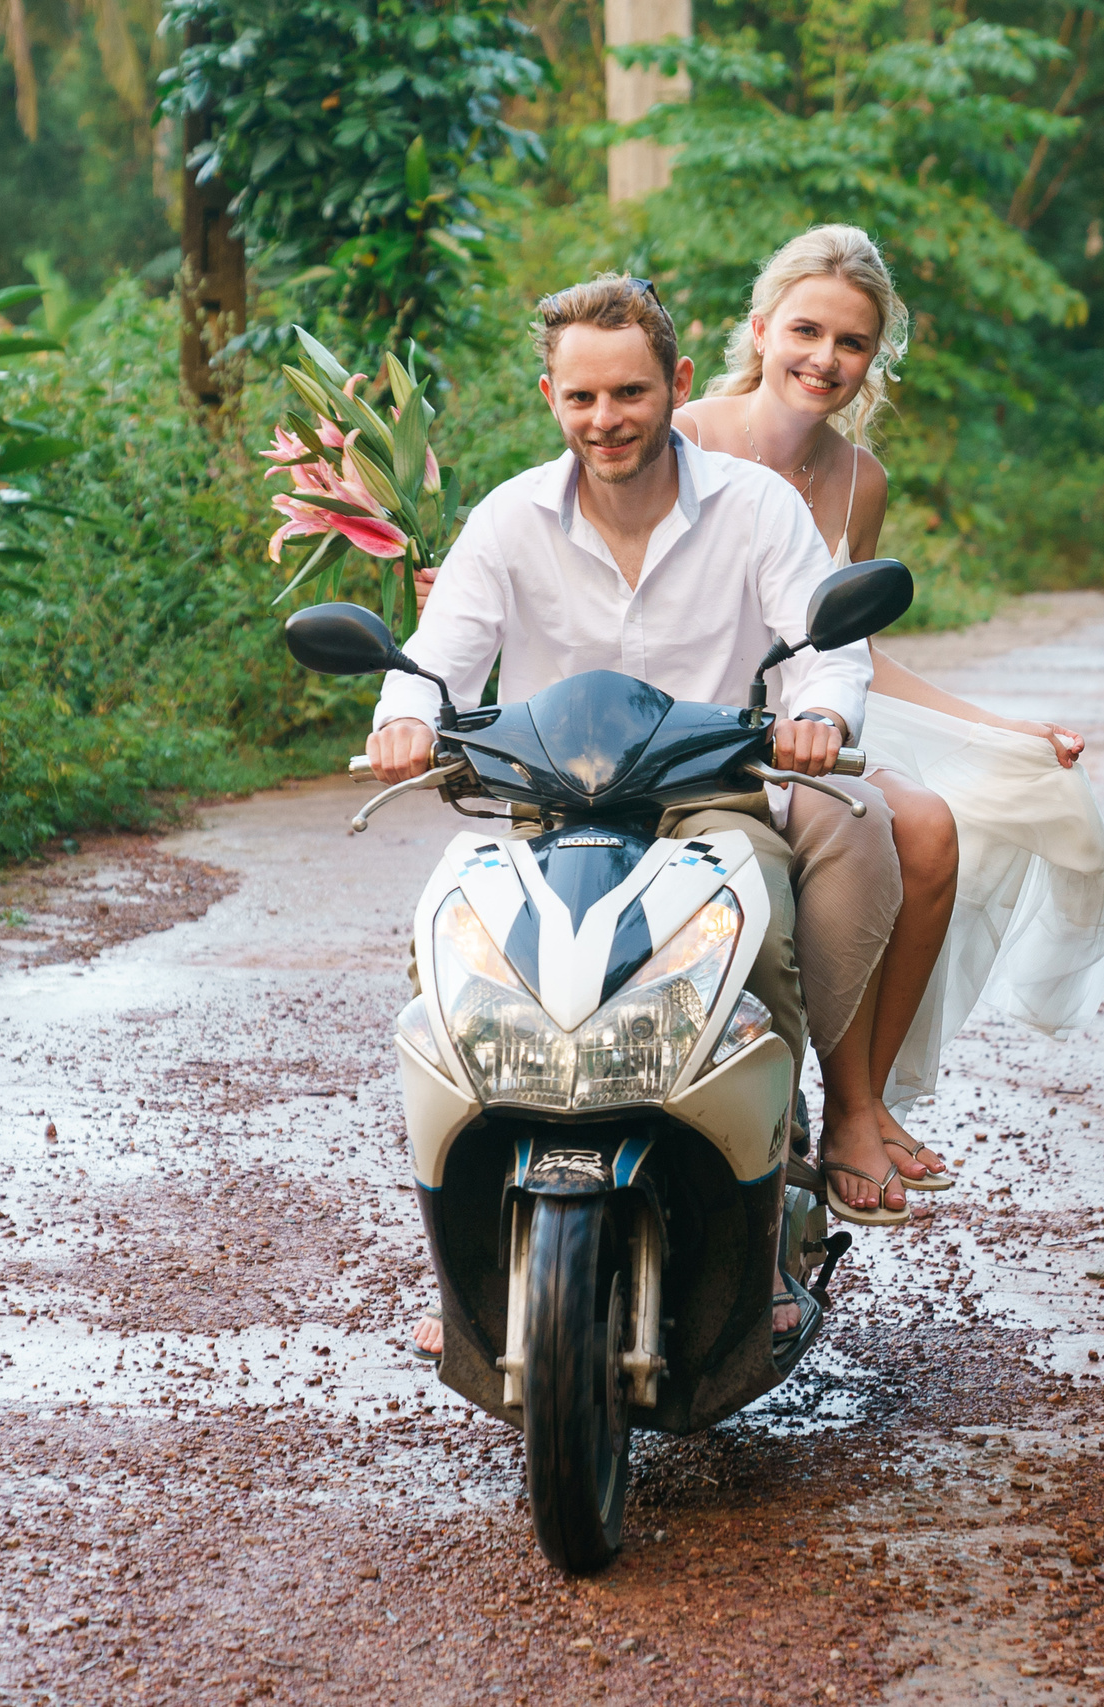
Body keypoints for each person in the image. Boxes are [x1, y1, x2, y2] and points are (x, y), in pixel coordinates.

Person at [372, 274, 916, 1351]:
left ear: (673, 384)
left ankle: (762, 1235)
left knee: (754, 954)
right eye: (580, 399)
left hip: (705, 810)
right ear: (549, 396)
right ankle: (471, 1269)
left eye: (627, 393)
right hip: (541, 818)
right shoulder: (509, 516)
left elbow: (824, 645)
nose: (605, 421)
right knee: (452, 977)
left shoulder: (753, 507)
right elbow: (434, 661)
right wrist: (404, 716)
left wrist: (812, 713)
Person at [674, 225, 1104, 1148]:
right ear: (760, 330)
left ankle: (857, 1105)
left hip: (809, 728)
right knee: (889, 824)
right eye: (806, 330)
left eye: (851, 343)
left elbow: (852, 647)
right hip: (691, 727)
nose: (824, 359)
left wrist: (1001, 724)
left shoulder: (857, 481)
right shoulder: (685, 439)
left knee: (929, 823)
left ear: (873, 359)